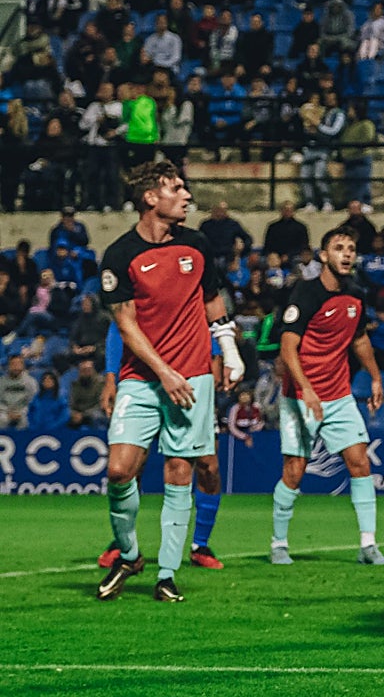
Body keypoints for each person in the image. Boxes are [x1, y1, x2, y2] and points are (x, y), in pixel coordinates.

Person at [96, 161, 244, 603]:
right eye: (176, 188)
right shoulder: (119, 256)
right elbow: (125, 326)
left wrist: (230, 351)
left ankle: (166, 574)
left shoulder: (197, 245)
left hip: (195, 376)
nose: (186, 195)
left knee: (180, 472)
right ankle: (129, 553)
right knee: (119, 470)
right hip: (142, 378)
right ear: (150, 198)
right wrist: (164, 371)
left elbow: (213, 303)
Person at [271, 226, 384, 566]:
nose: (347, 253)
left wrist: (376, 376)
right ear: (324, 256)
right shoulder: (305, 294)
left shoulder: (355, 293)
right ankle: (278, 542)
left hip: (338, 395)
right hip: (299, 396)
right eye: (339, 247)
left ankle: (368, 545)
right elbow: (288, 347)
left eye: (351, 247)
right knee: (295, 469)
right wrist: (306, 389)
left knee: (360, 462)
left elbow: (359, 339)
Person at [96, 320, 226, 571]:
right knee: (131, 467)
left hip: (190, 376)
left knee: (208, 465)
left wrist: (218, 355)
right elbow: (118, 326)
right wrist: (112, 377)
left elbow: (202, 314)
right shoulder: (135, 285)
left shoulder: (191, 281)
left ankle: (200, 545)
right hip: (142, 379)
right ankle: (123, 542)